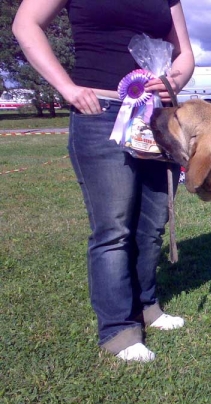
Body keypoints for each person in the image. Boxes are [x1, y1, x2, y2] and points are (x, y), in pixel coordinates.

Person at [13, 0, 195, 362]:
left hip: (156, 119)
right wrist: (66, 87)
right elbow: (25, 24)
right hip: (99, 113)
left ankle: (147, 307)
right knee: (113, 229)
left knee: (152, 226)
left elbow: (184, 53)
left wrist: (172, 79)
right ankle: (118, 330)